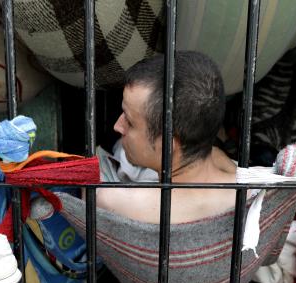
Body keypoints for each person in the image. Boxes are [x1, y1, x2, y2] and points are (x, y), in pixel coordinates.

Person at [96, 51, 238, 224]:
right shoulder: (251, 191)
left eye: (130, 122)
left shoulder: (112, 201)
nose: (117, 126)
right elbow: (216, 153)